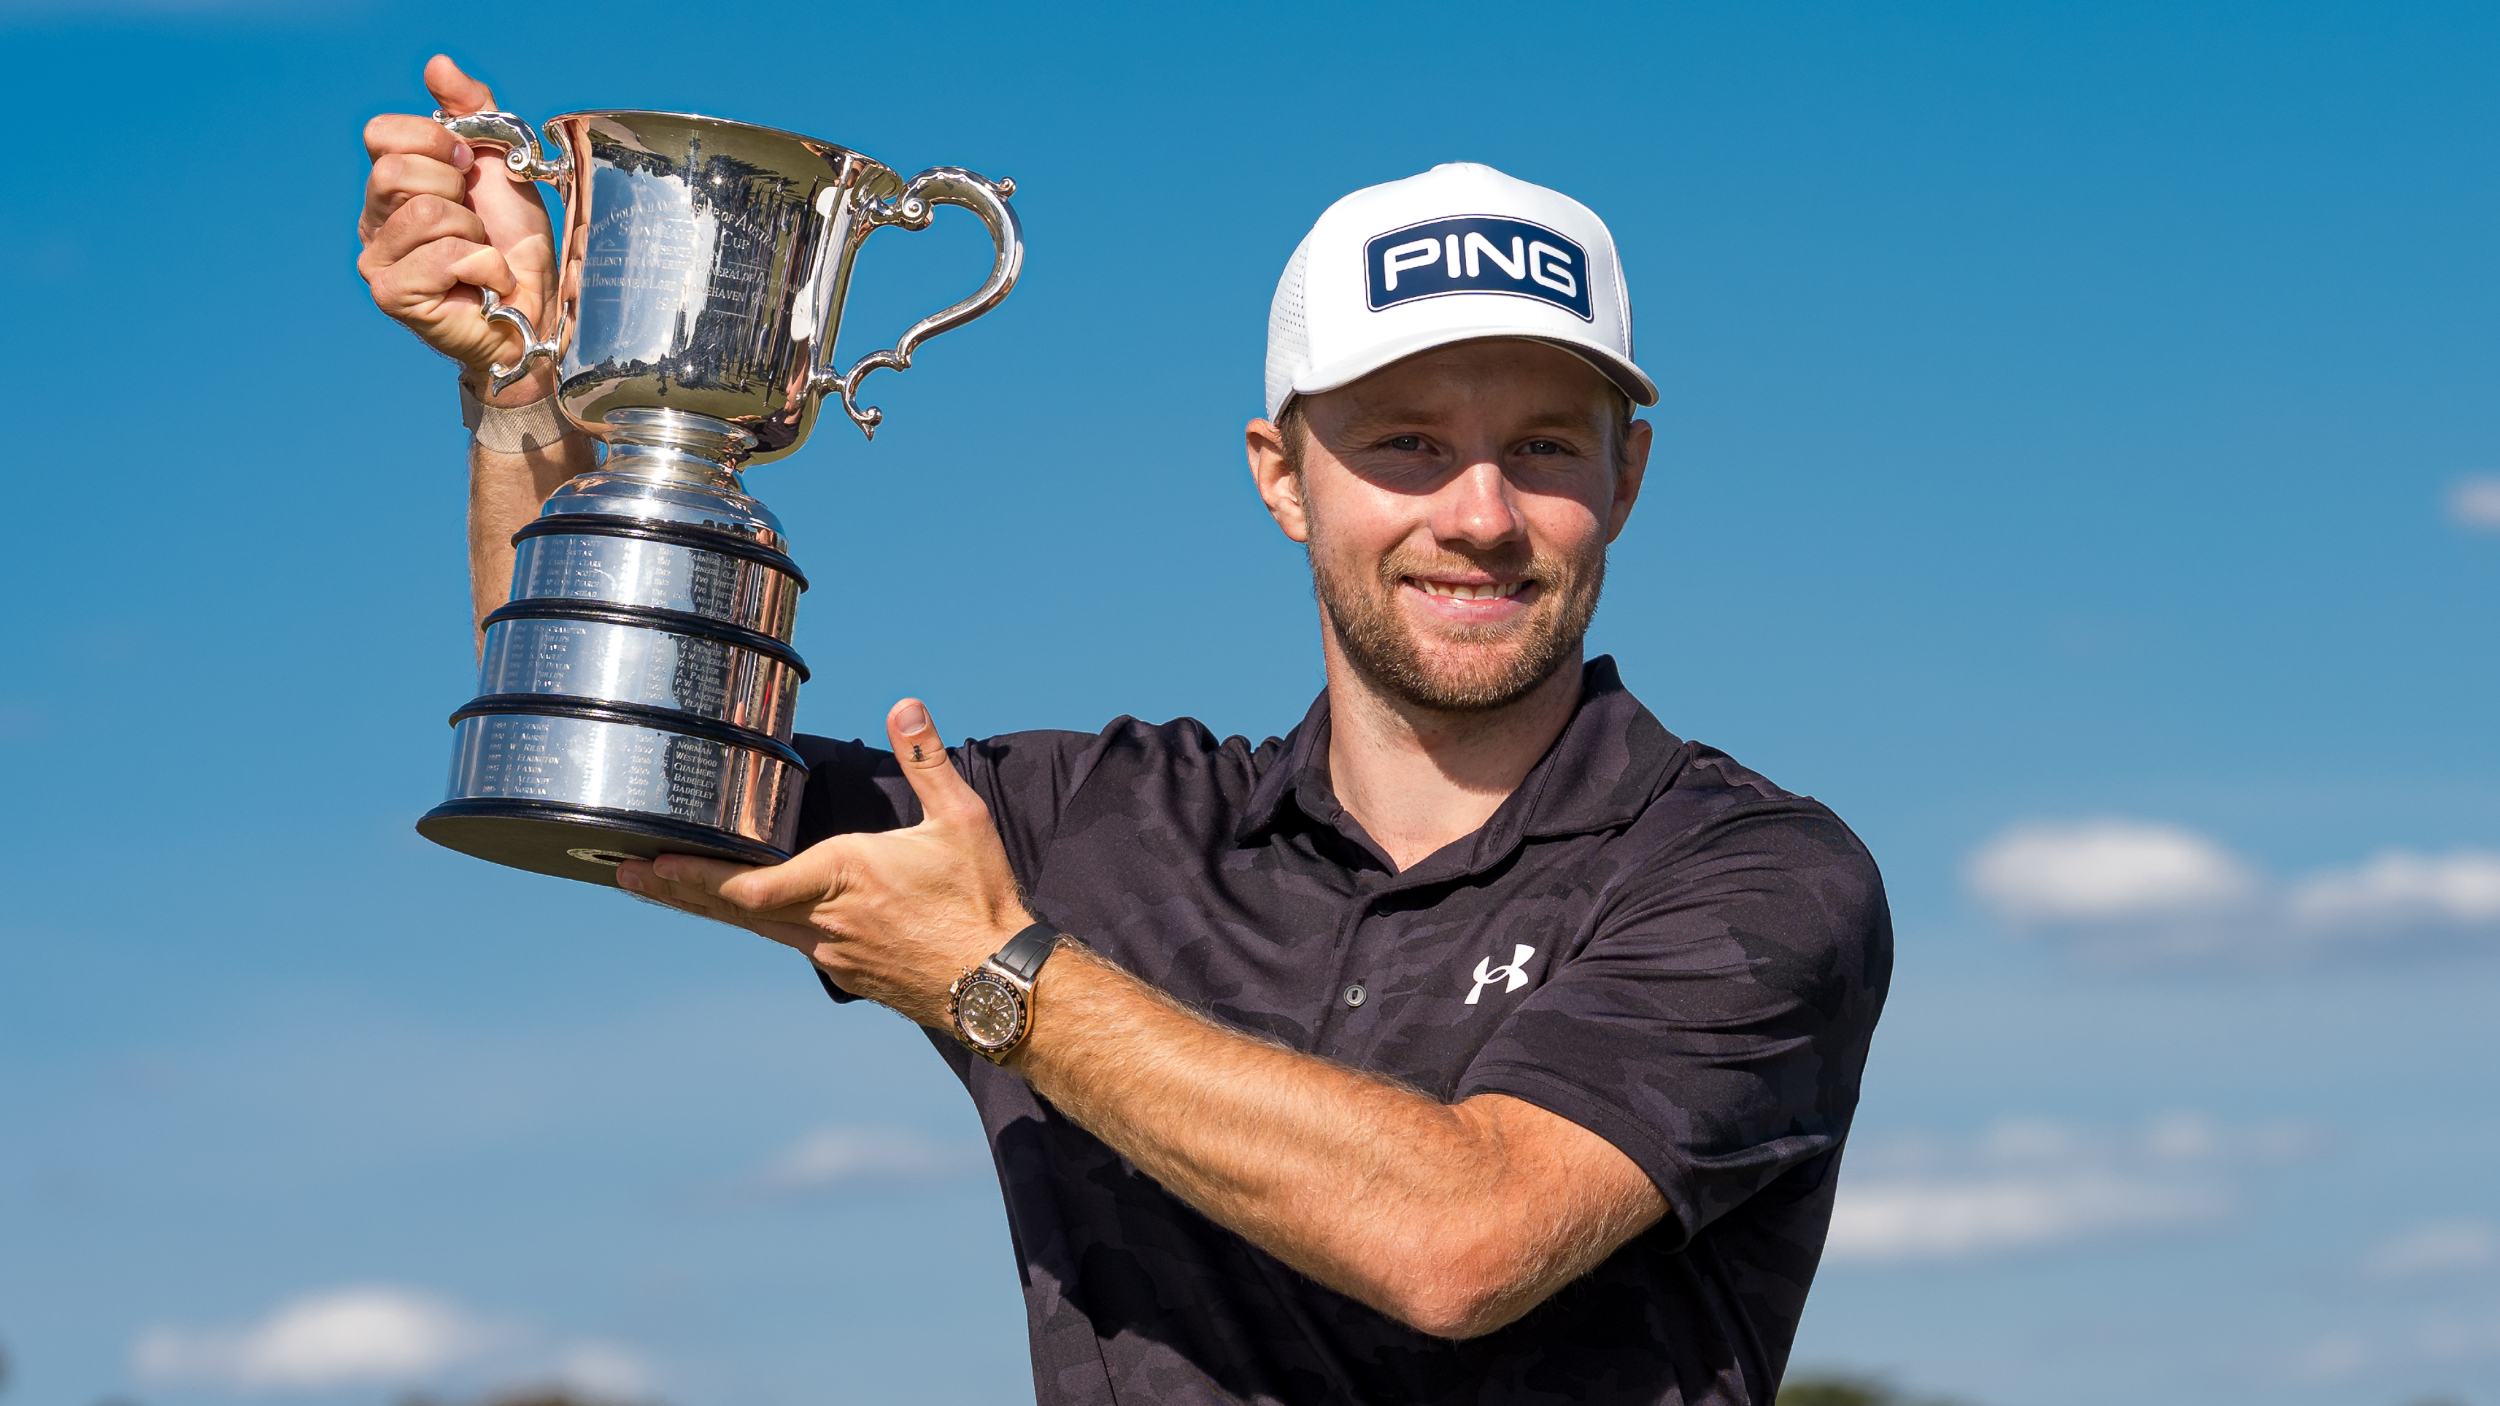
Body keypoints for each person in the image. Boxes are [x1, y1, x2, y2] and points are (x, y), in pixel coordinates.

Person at [360, 55, 1892, 1406]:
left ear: (1626, 478)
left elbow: (1462, 1237)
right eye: (1408, 444)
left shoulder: (1754, 874)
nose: (1478, 515)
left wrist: (1002, 980)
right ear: (1281, 476)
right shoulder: (1092, 827)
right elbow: (622, 770)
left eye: (1542, 447)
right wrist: (527, 397)